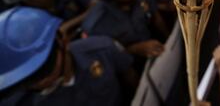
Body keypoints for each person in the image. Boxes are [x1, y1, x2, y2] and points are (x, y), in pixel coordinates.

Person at [0, 6, 139, 106]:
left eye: (44, 69)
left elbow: (131, 79)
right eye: (27, 79)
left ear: (63, 41)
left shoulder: (102, 50)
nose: (40, 82)